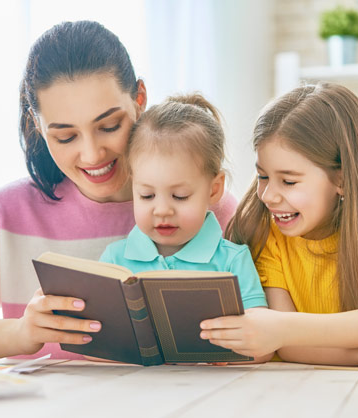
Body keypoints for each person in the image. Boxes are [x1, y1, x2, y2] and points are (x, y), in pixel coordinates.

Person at [0, 21, 237, 361]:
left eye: (109, 125)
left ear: (139, 98)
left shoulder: (204, 207)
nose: (93, 154)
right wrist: (18, 334)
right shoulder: (7, 217)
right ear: (38, 124)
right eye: (65, 136)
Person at [199, 82, 358, 369]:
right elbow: (288, 346)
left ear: (341, 180)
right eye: (262, 177)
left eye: (289, 181)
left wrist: (282, 327)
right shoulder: (269, 239)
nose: (268, 195)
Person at [100, 94, 268, 313]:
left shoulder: (233, 261)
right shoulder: (114, 258)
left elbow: (262, 340)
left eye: (179, 196)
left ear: (214, 189)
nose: (162, 211)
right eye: (147, 195)